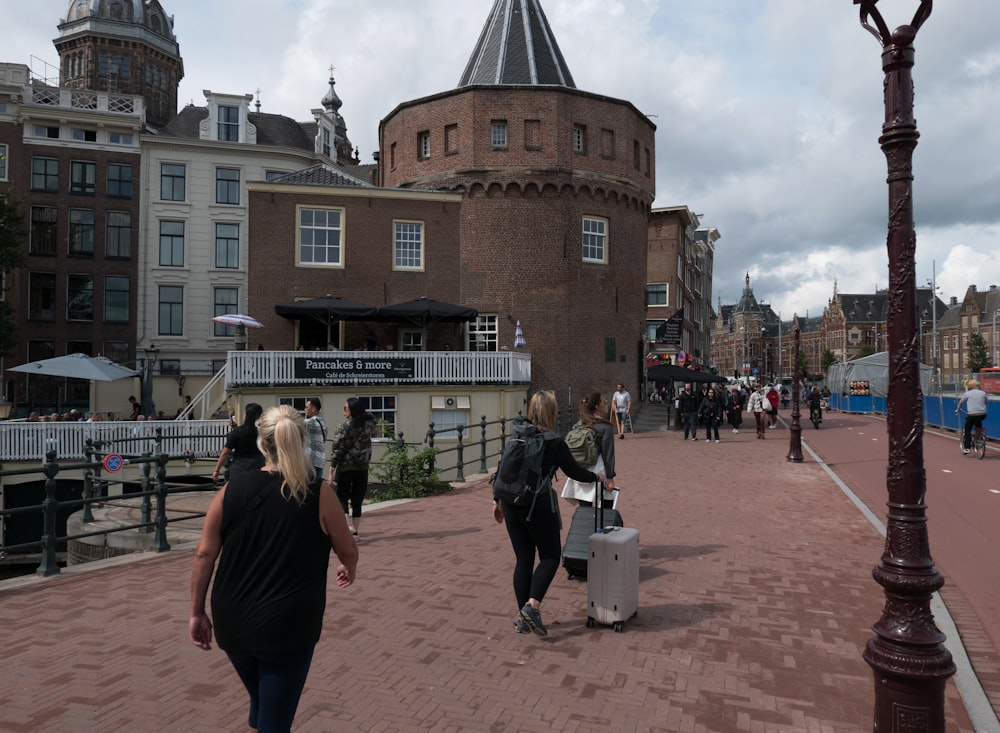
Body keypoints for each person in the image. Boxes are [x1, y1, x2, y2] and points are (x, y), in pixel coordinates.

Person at [189, 405, 358, 733]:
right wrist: (348, 568)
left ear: (261, 444)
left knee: (263, 701)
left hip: (232, 618)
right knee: (275, 720)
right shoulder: (319, 493)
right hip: (289, 624)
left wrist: (196, 612)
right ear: (301, 441)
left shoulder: (230, 491)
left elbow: (204, 554)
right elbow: (347, 548)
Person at [493, 390, 604, 636]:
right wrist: (597, 477)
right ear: (552, 412)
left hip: (510, 503)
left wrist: (496, 500)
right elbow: (575, 472)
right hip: (536, 505)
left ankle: (523, 616)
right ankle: (532, 606)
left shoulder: (518, 433)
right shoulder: (552, 441)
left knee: (523, 559)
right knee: (551, 556)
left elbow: (503, 468)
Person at [329, 398, 378, 541]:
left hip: (346, 467)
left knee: (342, 497)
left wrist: (332, 468)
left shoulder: (344, 427)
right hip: (362, 467)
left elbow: (337, 449)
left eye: (345, 408)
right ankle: (355, 533)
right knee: (357, 500)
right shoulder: (369, 425)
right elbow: (373, 420)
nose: (343, 411)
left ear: (352, 411)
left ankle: (346, 530)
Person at [561, 392, 617, 506]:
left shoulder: (579, 424)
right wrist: (610, 477)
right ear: (597, 407)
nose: (607, 403)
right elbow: (608, 455)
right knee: (606, 509)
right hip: (599, 471)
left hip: (582, 471)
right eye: (604, 402)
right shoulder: (605, 427)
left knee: (584, 509)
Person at [211, 403, 265, 483]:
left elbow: (225, 453)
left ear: (246, 415)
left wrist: (216, 470)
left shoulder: (237, 433)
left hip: (240, 469)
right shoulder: (261, 432)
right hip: (258, 467)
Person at [956, 379, 988, 454]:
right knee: (978, 424)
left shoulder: (967, 393)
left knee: (967, 429)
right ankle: (979, 438)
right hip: (982, 414)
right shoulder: (983, 393)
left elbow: (961, 402)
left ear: (969, 386)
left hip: (972, 414)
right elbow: (986, 402)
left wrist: (958, 409)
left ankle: (967, 448)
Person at [303, 398, 328, 480]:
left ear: (313, 409)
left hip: (311, 459)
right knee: (317, 486)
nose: (305, 409)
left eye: (307, 407)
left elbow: (295, 423)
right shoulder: (322, 421)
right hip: (320, 459)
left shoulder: (311, 422)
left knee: (308, 485)